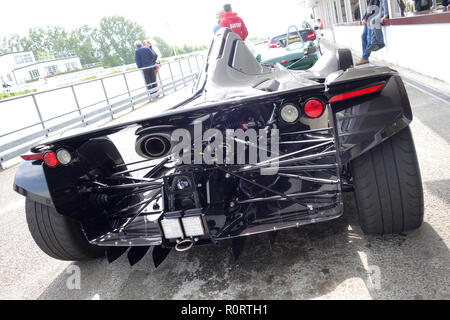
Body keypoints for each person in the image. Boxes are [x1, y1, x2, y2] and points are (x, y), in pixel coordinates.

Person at [356, 0, 387, 65]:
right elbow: (369, 7)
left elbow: (375, 8)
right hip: (369, 17)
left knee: (369, 38)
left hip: (374, 16)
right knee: (363, 36)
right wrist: (364, 18)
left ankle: (365, 57)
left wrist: (367, 18)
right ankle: (364, 57)